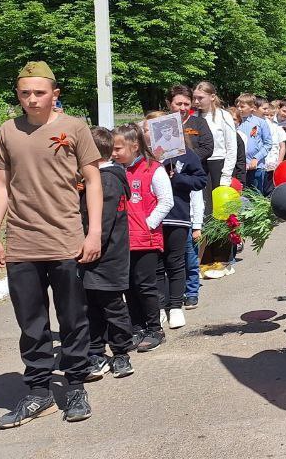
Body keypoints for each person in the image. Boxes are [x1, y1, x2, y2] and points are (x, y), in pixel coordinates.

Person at [0, 61, 103, 428]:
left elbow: (93, 181)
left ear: (55, 94)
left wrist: (94, 231)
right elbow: (2, 186)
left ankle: (76, 385)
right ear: (18, 95)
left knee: (72, 319)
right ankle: (38, 391)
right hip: (21, 243)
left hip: (65, 240)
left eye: (39, 92)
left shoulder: (74, 128)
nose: (32, 99)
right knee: (31, 324)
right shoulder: (8, 131)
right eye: (25, 93)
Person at [80, 126, 136, 382]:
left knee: (112, 307)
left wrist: (88, 245)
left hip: (107, 256)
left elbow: (102, 220)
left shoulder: (108, 180)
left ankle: (121, 352)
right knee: (90, 307)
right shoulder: (100, 178)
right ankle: (95, 352)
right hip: (93, 256)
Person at [144, 111, 208, 330]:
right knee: (155, 265)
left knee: (176, 262)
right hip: (151, 219)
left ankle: (175, 306)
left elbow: (200, 180)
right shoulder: (143, 157)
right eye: (147, 129)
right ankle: (160, 306)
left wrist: (179, 179)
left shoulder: (185, 154)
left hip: (177, 217)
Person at [113, 123, 173, 353]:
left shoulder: (153, 169)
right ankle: (136, 327)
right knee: (127, 286)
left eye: (119, 148)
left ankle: (154, 328)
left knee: (145, 286)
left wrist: (147, 224)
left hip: (145, 240)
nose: (114, 152)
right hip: (121, 240)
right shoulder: (114, 170)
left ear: (135, 146)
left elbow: (166, 200)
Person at [168, 85, 211, 310]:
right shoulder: (161, 127)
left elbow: (207, 147)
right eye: (178, 104)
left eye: (187, 103)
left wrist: (187, 158)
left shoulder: (197, 124)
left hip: (190, 186)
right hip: (166, 206)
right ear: (170, 104)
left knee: (188, 255)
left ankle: (191, 290)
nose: (183, 108)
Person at [192, 81, 237, 219]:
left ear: (212, 97)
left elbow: (231, 147)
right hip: (201, 164)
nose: (196, 101)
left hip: (219, 164)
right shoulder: (194, 117)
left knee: (222, 208)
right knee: (204, 207)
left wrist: (226, 174)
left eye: (200, 98)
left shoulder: (223, 116)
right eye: (194, 98)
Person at [234, 93, 273, 194]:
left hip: (256, 166)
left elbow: (268, 143)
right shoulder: (235, 122)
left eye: (242, 106)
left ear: (252, 108)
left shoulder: (260, 123)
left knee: (255, 195)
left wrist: (256, 158)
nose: (239, 109)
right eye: (237, 106)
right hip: (238, 167)